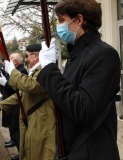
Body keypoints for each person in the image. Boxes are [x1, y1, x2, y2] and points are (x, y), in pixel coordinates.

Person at [37, 0, 120, 159]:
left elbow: (82, 109)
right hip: (73, 150)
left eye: (62, 20)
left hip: (90, 152)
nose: (58, 26)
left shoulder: (104, 55)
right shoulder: (78, 55)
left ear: (79, 20)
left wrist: (49, 70)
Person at [0, 44, 56, 160]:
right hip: (34, 120)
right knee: (31, 152)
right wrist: (0, 104)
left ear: (36, 55)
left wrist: (12, 71)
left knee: (41, 154)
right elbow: (23, 94)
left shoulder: (45, 69)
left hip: (41, 121)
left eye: (28, 56)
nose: (26, 59)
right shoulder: (35, 70)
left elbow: (31, 86)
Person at [0, 53, 28, 160]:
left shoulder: (22, 71)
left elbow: (17, 89)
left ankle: (21, 154)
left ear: (15, 61)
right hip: (11, 102)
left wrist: (6, 84)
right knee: (13, 128)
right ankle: (19, 152)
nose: (7, 62)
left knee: (17, 131)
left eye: (10, 60)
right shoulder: (14, 70)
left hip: (17, 106)